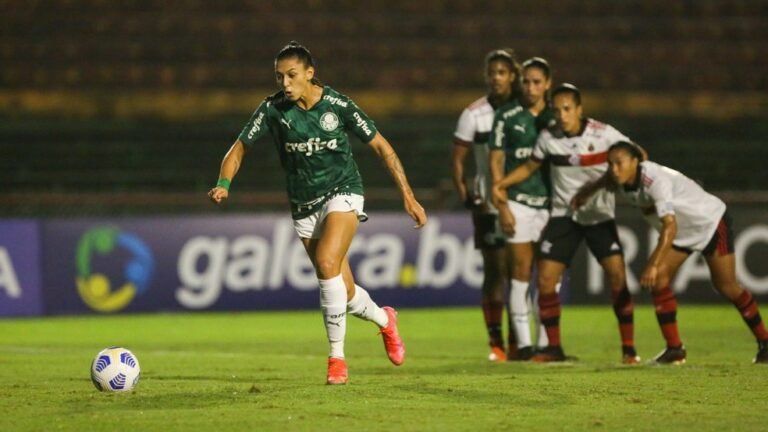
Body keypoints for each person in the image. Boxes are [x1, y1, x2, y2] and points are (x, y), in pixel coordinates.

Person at [208, 41, 428, 384]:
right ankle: (386, 321)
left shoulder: (338, 106)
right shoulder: (272, 109)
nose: (285, 83)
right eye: (279, 76)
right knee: (346, 292)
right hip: (304, 205)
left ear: (310, 73)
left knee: (327, 263)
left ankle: (336, 360)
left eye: (292, 75)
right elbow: (239, 148)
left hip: (344, 191)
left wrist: (409, 197)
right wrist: (224, 182)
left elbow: (383, 148)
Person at [572, 141, 768, 364]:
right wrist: (585, 194)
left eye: (619, 163)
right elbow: (605, 180)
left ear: (635, 162)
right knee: (660, 282)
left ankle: (765, 342)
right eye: (610, 164)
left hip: (710, 223)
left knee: (727, 286)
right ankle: (675, 349)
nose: (614, 169)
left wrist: (653, 263)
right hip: (684, 232)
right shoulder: (621, 177)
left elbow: (670, 225)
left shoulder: (654, 181)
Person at [492, 83, 640, 364]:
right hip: (564, 218)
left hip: (599, 218)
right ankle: (553, 348)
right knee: (546, 280)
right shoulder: (549, 137)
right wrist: (501, 184)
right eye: (557, 109)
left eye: (567, 109)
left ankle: (629, 349)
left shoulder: (604, 134)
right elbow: (529, 167)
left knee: (618, 277)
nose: (561, 115)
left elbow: (637, 156)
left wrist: (597, 186)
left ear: (579, 110)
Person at [451, 48, 521, 362]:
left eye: (502, 72)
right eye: (491, 72)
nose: (496, 78)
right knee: (496, 273)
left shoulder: (526, 111)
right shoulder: (474, 114)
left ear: (513, 76)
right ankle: (497, 344)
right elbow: (457, 160)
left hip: (525, 203)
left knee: (521, 273)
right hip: (489, 205)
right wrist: (467, 195)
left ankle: (522, 342)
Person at [488, 57, 555, 360]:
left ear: (547, 84)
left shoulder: (557, 117)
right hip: (518, 202)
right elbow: (496, 165)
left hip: (553, 205)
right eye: (526, 81)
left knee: (548, 278)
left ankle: (546, 343)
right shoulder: (506, 115)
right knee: (519, 274)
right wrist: (502, 206)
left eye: (537, 82)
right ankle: (525, 345)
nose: (530, 87)